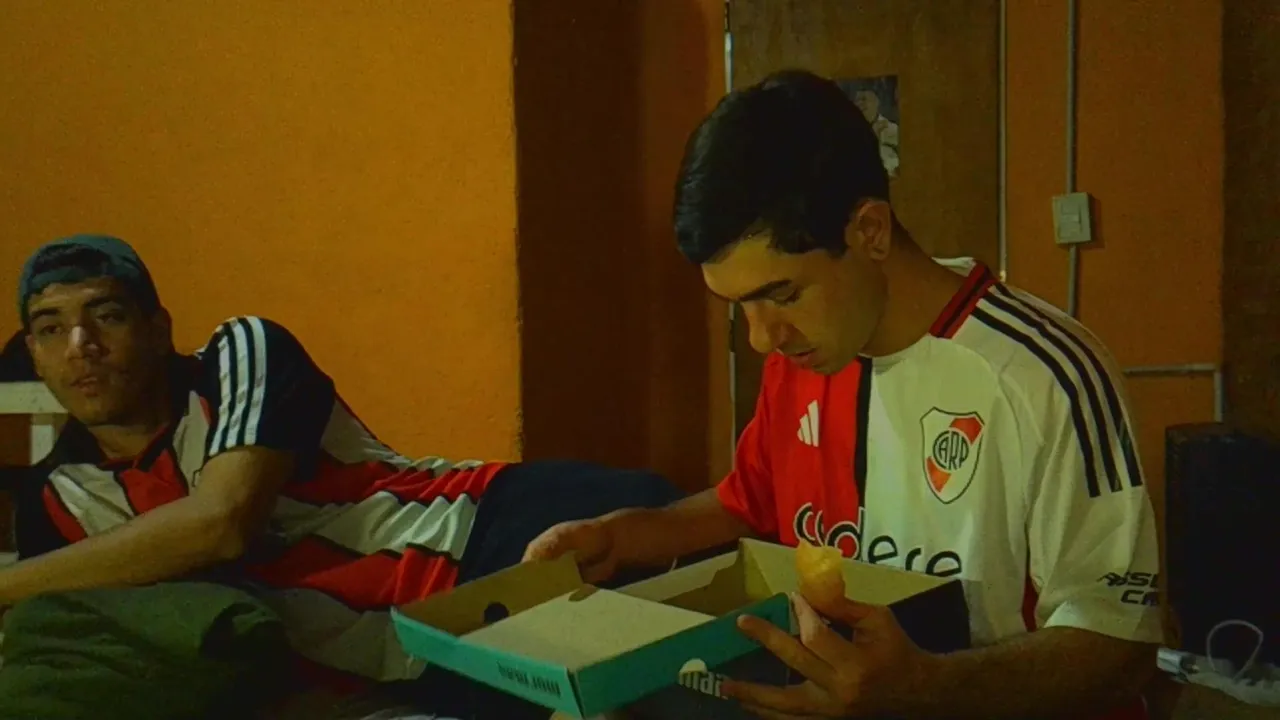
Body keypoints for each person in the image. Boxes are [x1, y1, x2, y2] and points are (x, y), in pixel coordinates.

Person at [525, 69, 1162, 719]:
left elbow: (1122, 647)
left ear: (870, 231)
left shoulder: (1043, 374)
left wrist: (925, 688)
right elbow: (747, 504)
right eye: (740, 307)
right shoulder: (802, 358)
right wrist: (620, 536)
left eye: (782, 294)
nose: (761, 339)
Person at [7, 234, 684, 718]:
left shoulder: (237, 354)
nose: (82, 347)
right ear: (32, 354)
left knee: (705, 683)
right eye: (51, 329)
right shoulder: (57, 501)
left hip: (494, 540)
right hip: (413, 664)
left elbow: (221, 522)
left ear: (157, 330)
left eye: (107, 316)